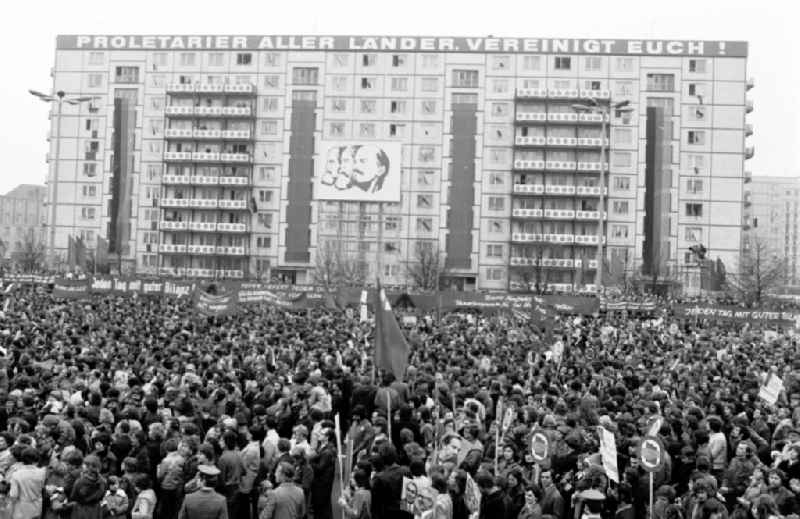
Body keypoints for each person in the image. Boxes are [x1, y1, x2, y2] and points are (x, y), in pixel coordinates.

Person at [7, 446, 46, 519]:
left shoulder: (16, 474)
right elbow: (42, 488)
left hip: (21, 510)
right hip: (37, 507)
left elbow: (13, 495)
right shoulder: (42, 472)